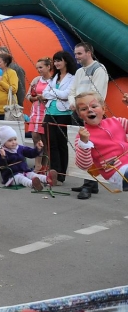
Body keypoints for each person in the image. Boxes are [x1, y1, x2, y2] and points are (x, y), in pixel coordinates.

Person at [68, 42, 110, 198]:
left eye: (79, 53)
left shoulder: (99, 69)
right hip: (78, 111)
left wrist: (81, 106)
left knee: (90, 148)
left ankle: (89, 184)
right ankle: (88, 183)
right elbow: (72, 90)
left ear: (88, 53)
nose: (76, 56)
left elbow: (96, 94)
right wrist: (74, 104)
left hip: (91, 113)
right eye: (75, 53)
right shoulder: (79, 71)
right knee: (81, 147)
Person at [73, 92, 128, 195]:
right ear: (80, 115)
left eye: (94, 106)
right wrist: (84, 143)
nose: (90, 110)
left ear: (103, 109)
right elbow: (84, 165)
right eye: (84, 109)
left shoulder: (117, 122)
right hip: (117, 173)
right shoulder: (82, 137)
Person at [42, 50, 76, 186]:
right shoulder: (54, 77)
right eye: (55, 61)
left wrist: (53, 92)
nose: (56, 63)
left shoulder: (72, 78)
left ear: (65, 61)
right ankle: (53, 172)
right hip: (50, 112)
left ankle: (61, 175)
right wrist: (54, 93)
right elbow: (44, 93)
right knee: (51, 144)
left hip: (63, 114)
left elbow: (66, 94)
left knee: (61, 144)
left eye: (59, 60)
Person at [0, 125, 56, 191]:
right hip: (11, 176)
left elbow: (31, 153)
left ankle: (48, 179)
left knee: (33, 175)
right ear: (4, 143)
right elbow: (0, 163)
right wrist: (3, 157)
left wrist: (37, 149)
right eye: (10, 141)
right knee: (21, 178)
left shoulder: (20, 148)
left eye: (15, 139)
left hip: (24, 171)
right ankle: (33, 184)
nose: (13, 142)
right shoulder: (3, 151)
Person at [27, 57, 54, 171]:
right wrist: (34, 98)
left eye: (41, 67)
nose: (39, 70)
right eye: (37, 68)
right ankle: (37, 165)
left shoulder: (54, 80)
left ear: (48, 67)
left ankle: (45, 165)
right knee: (35, 136)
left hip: (47, 111)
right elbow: (28, 95)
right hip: (36, 111)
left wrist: (47, 98)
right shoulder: (36, 80)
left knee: (45, 139)